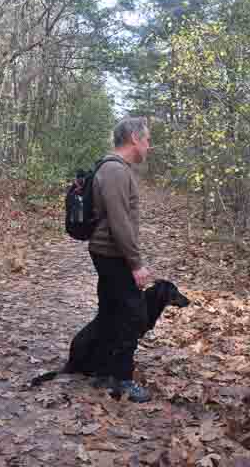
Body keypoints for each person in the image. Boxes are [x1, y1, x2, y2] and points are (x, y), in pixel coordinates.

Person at [87, 117, 153, 403]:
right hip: (112, 253)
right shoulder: (114, 170)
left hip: (109, 252)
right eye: (147, 140)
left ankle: (103, 371)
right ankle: (123, 379)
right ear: (134, 139)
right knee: (132, 315)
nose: (148, 146)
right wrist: (136, 263)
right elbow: (119, 221)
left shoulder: (116, 168)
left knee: (111, 310)